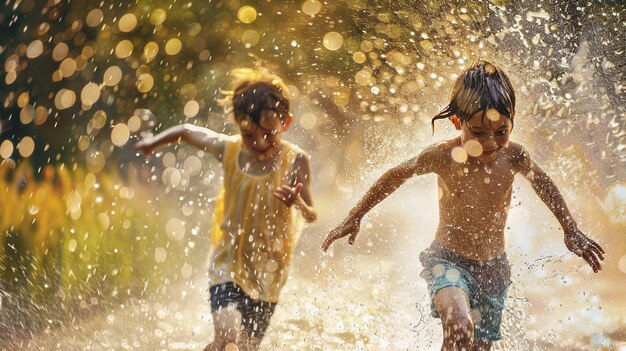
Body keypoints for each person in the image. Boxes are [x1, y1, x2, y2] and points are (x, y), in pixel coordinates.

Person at [321, 60, 604, 350]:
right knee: (459, 326)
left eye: (501, 131)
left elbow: (543, 184)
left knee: (478, 347)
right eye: (478, 133)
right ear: (457, 122)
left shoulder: (515, 157)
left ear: (512, 119)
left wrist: (571, 229)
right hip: (447, 260)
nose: (490, 142)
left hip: (494, 270)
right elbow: (396, 175)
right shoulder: (443, 156)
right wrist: (355, 216)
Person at [136, 68, 317, 351]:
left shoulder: (296, 161)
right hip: (227, 263)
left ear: (286, 123)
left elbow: (312, 215)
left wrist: (298, 203)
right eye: (249, 135)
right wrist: (152, 143)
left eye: (268, 135)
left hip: (270, 272)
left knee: (244, 347)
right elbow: (186, 131)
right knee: (227, 338)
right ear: (238, 125)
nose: (258, 143)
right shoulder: (229, 149)